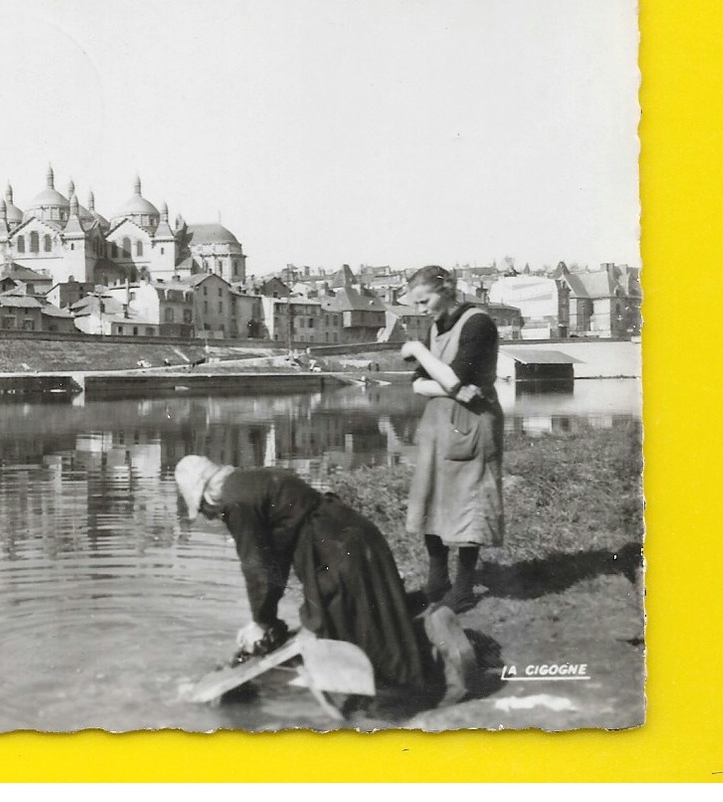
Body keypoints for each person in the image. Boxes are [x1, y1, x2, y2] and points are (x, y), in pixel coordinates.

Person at [174, 455, 473, 705]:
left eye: (202, 508)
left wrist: (261, 622)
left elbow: (258, 568)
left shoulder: (235, 501)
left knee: (343, 629)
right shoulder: (248, 480)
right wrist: (266, 618)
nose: (209, 516)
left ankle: (434, 671)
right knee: (370, 621)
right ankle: (430, 634)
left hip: (334, 547)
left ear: (207, 493)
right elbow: (274, 563)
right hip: (350, 534)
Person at [399, 265, 504, 613]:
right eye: (416, 303)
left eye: (424, 301)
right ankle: (436, 580)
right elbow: (418, 383)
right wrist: (454, 390)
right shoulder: (435, 327)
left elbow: (455, 376)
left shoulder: (478, 323)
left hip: (472, 425)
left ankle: (463, 588)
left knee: (469, 501)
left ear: (446, 291)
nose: (420, 309)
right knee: (432, 497)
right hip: (439, 422)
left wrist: (419, 350)